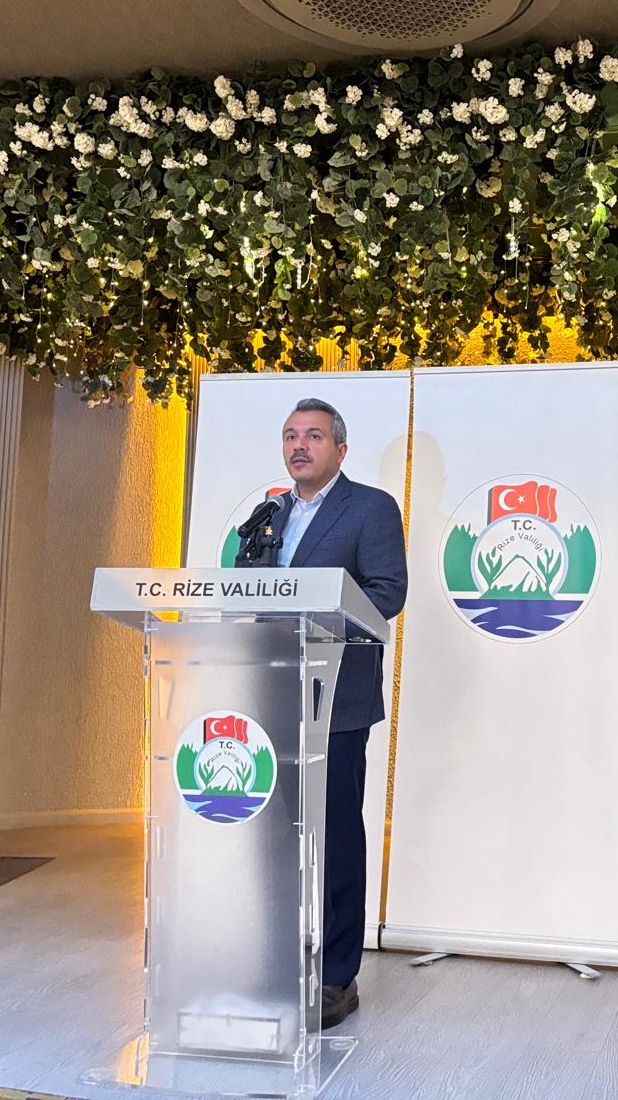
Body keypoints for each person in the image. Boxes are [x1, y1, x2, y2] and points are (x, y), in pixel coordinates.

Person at [235, 397, 406, 1030]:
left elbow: (387, 593)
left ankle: (337, 976)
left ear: (340, 448)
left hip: (337, 698)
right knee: (280, 836)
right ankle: (280, 962)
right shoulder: (270, 514)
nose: (298, 446)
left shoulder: (370, 508)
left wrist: (316, 618)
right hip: (275, 691)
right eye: (290, 436)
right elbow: (247, 592)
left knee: (334, 836)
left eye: (312, 435)